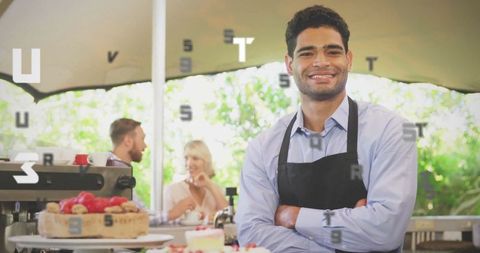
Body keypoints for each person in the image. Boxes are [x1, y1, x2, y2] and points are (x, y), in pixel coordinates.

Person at [236, 5, 417, 253]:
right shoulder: (263, 147)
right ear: (289, 64)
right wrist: (347, 236)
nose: (321, 62)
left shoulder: (389, 130)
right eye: (307, 53)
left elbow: (386, 231)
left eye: (332, 51)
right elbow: (251, 233)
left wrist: (295, 217)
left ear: (348, 59)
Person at [163, 140, 228, 221]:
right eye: (186, 158)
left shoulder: (215, 190)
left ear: (206, 162)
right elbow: (165, 223)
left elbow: (228, 217)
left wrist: (210, 185)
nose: (189, 163)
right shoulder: (172, 190)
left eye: (195, 158)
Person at [106, 118, 147, 209]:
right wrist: (170, 214)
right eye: (142, 139)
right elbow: (138, 213)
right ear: (128, 141)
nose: (145, 145)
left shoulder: (118, 168)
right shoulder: (113, 171)